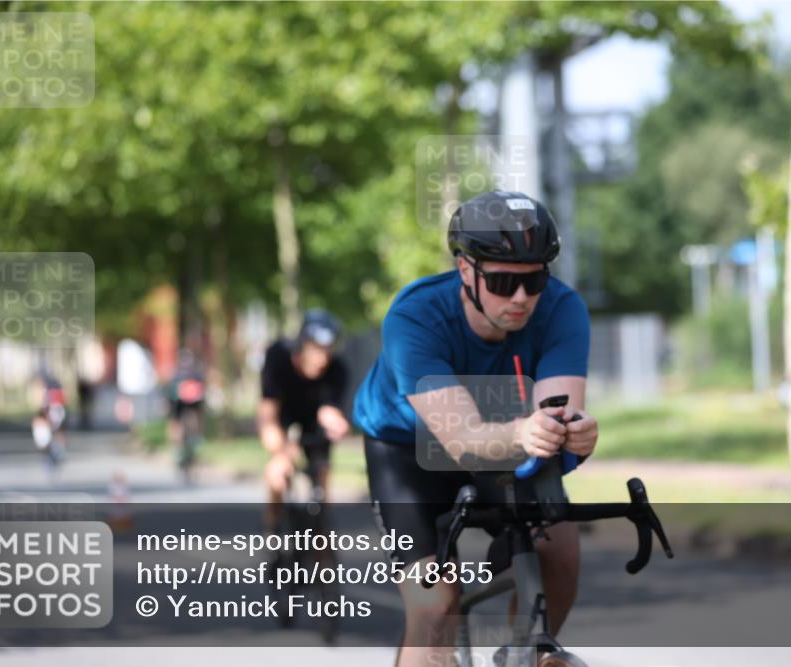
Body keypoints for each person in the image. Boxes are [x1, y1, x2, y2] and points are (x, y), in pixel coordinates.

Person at [352, 190, 599, 666]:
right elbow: (462, 439)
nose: (523, 298)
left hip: (505, 439)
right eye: (505, 282)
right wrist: (525, 433)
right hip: (407, 449)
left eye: (536, 280)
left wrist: (575, 434)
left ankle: (523, 651)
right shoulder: (414, 318)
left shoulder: (563, 309)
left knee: (561, 554)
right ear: (466, 269)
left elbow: (559, 413)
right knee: (435, 605)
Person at [257, 309, 350, 530]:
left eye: (327, 351)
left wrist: (336, 422)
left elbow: (330, 411)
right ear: (301, 345)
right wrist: (281, 453)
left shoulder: (337, 370)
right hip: (283, 417)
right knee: (277, 475)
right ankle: (275, 532)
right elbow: (267, 415)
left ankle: (323, 552)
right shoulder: (277, 358)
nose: (322, 358)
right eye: (316, 349)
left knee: (322, 483)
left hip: (313, 424)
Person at [166, 348, 206, 481]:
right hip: (180, 406)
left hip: (191, 406)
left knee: (192, 427)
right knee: (178, 428)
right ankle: (179, 452)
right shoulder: (177, 375)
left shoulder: (194, 375)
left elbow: (201, 396)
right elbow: (171, 398)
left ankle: (190, 449)